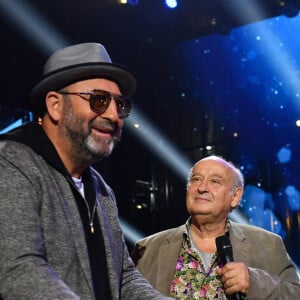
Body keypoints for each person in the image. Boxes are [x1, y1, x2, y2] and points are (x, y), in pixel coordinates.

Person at [0, 42, 173, 300]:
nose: (114, 115)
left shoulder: (101, 189)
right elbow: (18, 270)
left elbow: (123, 277)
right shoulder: (11, 163)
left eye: (120, 104)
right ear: (55, 105)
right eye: (99, 100)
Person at [132, 155, 300, 299]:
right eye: (196, 179)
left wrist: (254, 283)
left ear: (235, 196)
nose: (202, 188)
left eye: (215, 181)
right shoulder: (147, 249)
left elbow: (294, 294)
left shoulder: (268, 244)